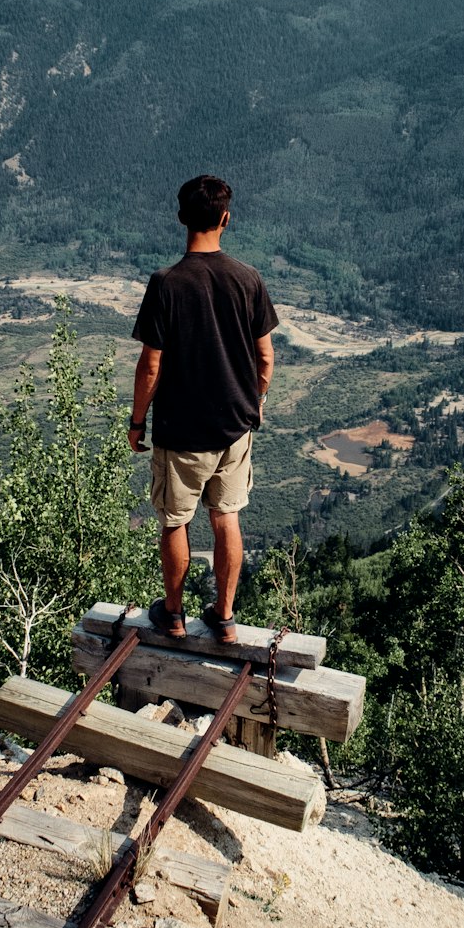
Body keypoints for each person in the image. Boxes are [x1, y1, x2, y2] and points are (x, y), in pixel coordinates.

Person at [129, 174, 278, 644]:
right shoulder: (248, 279)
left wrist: (136, 422)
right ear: (225, 219)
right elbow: (266, 357)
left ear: (181, 218)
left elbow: (150, 366)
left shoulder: (166, 284)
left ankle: (172, 614)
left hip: (181, 431)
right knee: (226, 517)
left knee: (175, 521)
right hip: (234, 429)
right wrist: (253, 403)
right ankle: (225, 615)